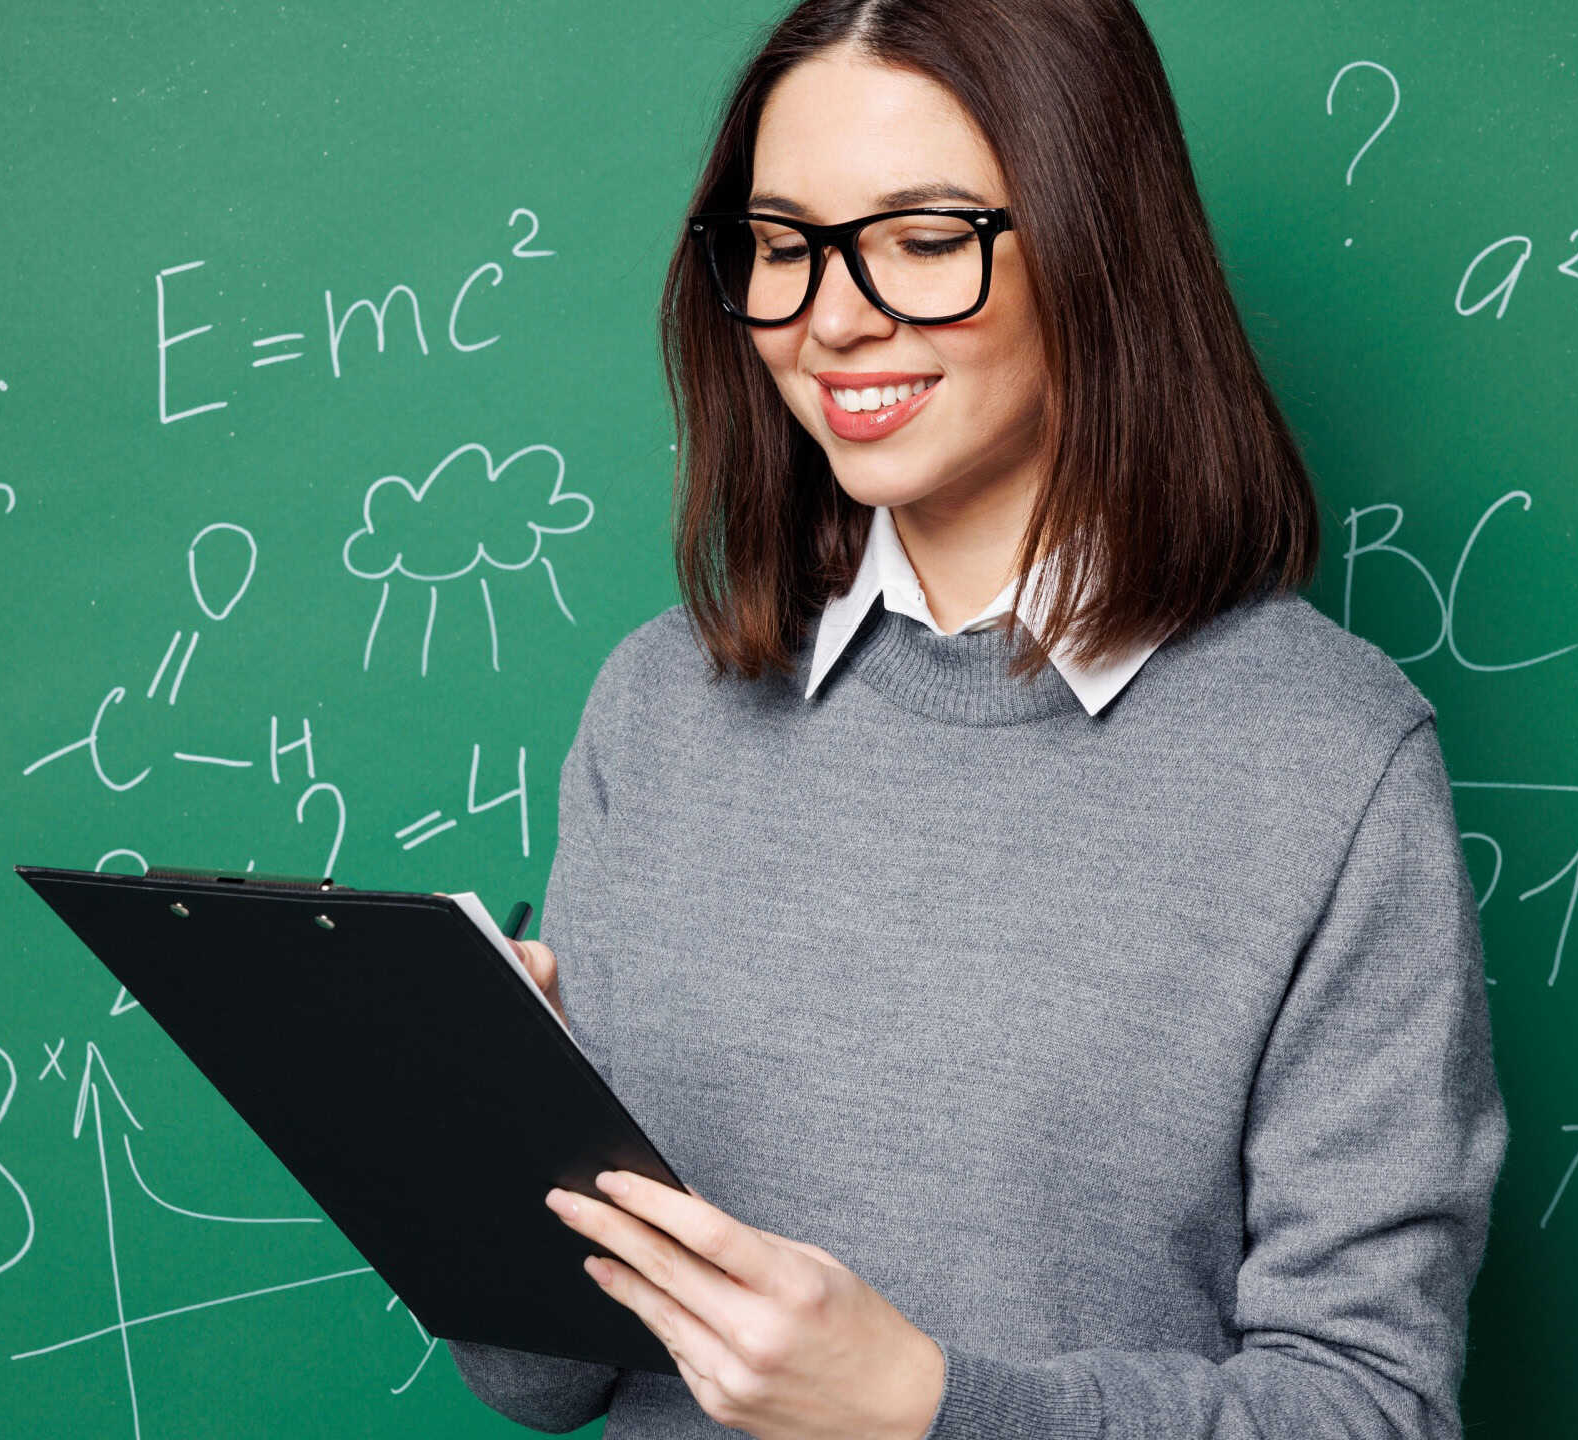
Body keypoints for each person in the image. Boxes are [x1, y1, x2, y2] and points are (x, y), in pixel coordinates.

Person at [445, 0, 1507, 1435]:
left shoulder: (1327, 762)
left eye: (926, 241)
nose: (831, 316)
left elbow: (1371, 1408)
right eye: (778, 246)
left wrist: (930, 1404)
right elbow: (544, 1382)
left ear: (1098, 249)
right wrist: (487, 1134)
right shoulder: (662, 708)